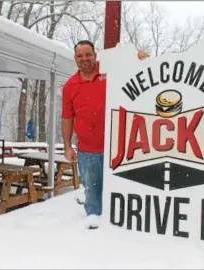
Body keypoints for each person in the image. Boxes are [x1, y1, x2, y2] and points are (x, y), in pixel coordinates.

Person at [61, 40, 149, 229]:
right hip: (88, 150)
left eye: (88, 54)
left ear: (95, 54)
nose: (84, 59)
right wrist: (68, 145)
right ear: (75, 58)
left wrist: (139, 58)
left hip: (118, 147)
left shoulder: (110, 70)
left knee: (123, 189)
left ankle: (120, 229)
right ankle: (94, 228)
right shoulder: (70, 86)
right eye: (80, 55)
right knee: (92, 192)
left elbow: (134, 68)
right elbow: (67, 117)